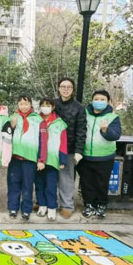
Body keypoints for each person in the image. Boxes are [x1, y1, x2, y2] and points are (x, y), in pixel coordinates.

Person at [77, 90, 121, 219]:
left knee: (102, 183)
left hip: (105, 157)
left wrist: (106, 130)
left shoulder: (113, 117)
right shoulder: (84, 114)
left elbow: (116, 135)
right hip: (85, 156)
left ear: (108, 102)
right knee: (86, 183)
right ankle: (89, 204)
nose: (99, 102)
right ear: (92, 101)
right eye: (96, 99)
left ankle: (101, 205)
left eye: (102, 100)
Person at [54, 78, 86, 219]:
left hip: (69, 148)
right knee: (48, 176)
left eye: (69, 87)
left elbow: (81, 131)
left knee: (66, 177)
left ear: (73, 89)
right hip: (50, 147)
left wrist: (79, 150)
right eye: (63, 86)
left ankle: (67, 205)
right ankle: (46, 203)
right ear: (59, 88)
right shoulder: (52, 104)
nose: (66, 89)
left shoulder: (79, 108)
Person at [7, 95, 42, 221]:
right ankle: (13, 207)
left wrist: (41, 158)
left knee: (28, 185)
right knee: (13, 183)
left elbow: (42, 139)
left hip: (30, 158)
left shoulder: (38, 119)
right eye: (21, 104)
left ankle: (26, 209)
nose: (24, 106)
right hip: (15, 157)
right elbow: (5, 135)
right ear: (18, 105)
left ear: (31, 105)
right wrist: (12, 126)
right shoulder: (13, 117)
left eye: (26, 104)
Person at [36, 98, 68, 221]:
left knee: (51, 186)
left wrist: (62, 159)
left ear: (53, 107)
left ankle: (51, 208)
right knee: (39, 184)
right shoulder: (37, 120)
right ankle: (42, 205)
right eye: (43, 105)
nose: (45, 108)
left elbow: (63, 143)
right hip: (38, 159)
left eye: (48, 105)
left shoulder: (60, 123)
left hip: (53, 159)